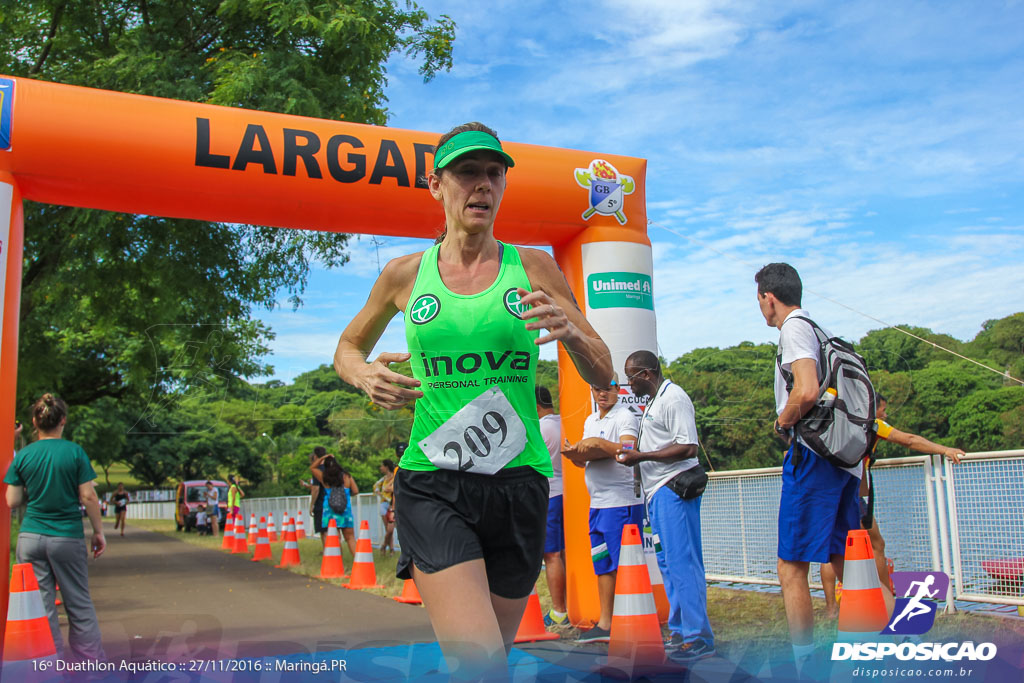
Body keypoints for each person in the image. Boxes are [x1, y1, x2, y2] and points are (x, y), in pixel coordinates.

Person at [332, 121, 612, 679]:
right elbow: (346, 347)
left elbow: (603, 368)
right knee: (480, 662)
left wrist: (573, 333)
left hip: (520, 483)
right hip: (433, 481)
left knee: (488, 661)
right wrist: (364, 375)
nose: (482, 185)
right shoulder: (404, 275)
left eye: (494, 173)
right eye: (467, 173)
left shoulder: (532, 266)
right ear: (436, 185)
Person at [755, 262, 861, 672]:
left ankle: (805, 666)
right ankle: (881, 639)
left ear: (769, 297)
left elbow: (807, 388)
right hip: (841, 459)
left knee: (791, 566)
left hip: (813, 458)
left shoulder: (794, 328)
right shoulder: (818, 329)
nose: (761, 309)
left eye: (759, 300)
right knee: (844, 559)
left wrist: (783, 422)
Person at [820, 392, 966, 617]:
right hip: (848, 493)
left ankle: (831, 609)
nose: (885, 414)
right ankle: (885, 598)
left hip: (823, 491)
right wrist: (945, 449)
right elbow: (909, 439)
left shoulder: (836, 419)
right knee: (876, 544)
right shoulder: (874, 425)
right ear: (871, 407)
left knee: (832, 547)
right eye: (883, 410)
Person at [615, 351, 715, 661]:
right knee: (669, 564)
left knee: (683, 562)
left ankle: (699, 636)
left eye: (631, 378)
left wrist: (641, 458)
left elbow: (688, 446)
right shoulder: (653, 403)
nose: (629, 385)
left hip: (674, 489)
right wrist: (636, 465)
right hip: (656, 494)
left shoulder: (673, 399)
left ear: (645, 374)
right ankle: (680, 630)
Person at [3, 393, 106, 662]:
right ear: (63, 420)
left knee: (41, 606)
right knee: (78, 604)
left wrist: (33, 492)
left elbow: (12, 500)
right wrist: (98, 532)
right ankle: (90, 667)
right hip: (66, 537)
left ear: (34, 422)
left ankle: (49, 664)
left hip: (31, 537)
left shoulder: (23, 455)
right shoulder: (74, 452)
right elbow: (88, 496)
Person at [562, 373, 643, 643]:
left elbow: (628, 451)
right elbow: (586, 461)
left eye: (607, 389)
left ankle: (631, 623)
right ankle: (607, 623)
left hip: (621, 502)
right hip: (597, 502)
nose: (602, 394)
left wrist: (598, 444)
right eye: (597, 389)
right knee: (603, 565)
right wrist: (576, 454)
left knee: (625, 565)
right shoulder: (590, 420)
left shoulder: (625, 415)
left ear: (617, 389)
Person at [535, 385, 568, 628]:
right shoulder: (562, 422)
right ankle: (569, 606)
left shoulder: (541, 428)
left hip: (550, 495)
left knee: (552, 554)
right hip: (568, 494)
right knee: (564, 553)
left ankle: (559, 611)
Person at [310, 453, 359, 557]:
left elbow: (312, 467)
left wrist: (322, 457)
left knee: (335, 540)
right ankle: (358, 562)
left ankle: (338, 565)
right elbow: (355, 491)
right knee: (350, 538)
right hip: (345, 511)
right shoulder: (346, 476)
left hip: (330, 513)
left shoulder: (324, 478)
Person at [373, 457, 397, 553]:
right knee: (387, 528)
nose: (380, 468)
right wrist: (378, 493)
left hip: (393, 504)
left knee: (390, 529)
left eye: (382, 466)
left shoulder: (394, 478)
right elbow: (376, 486)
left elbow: (388, 489)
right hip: (384, 504)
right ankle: (391, 549)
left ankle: (384, 546)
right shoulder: (383, 479)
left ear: (386, 467)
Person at [306, 447, 328, 541]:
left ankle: (327, 551)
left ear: (315, 456)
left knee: (323, 530)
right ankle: (335, 550)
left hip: (321, 503)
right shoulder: (330, 468)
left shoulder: (317, 470)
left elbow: (316, 489)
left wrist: (312, 505)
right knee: (333, 529)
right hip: (334, 501)